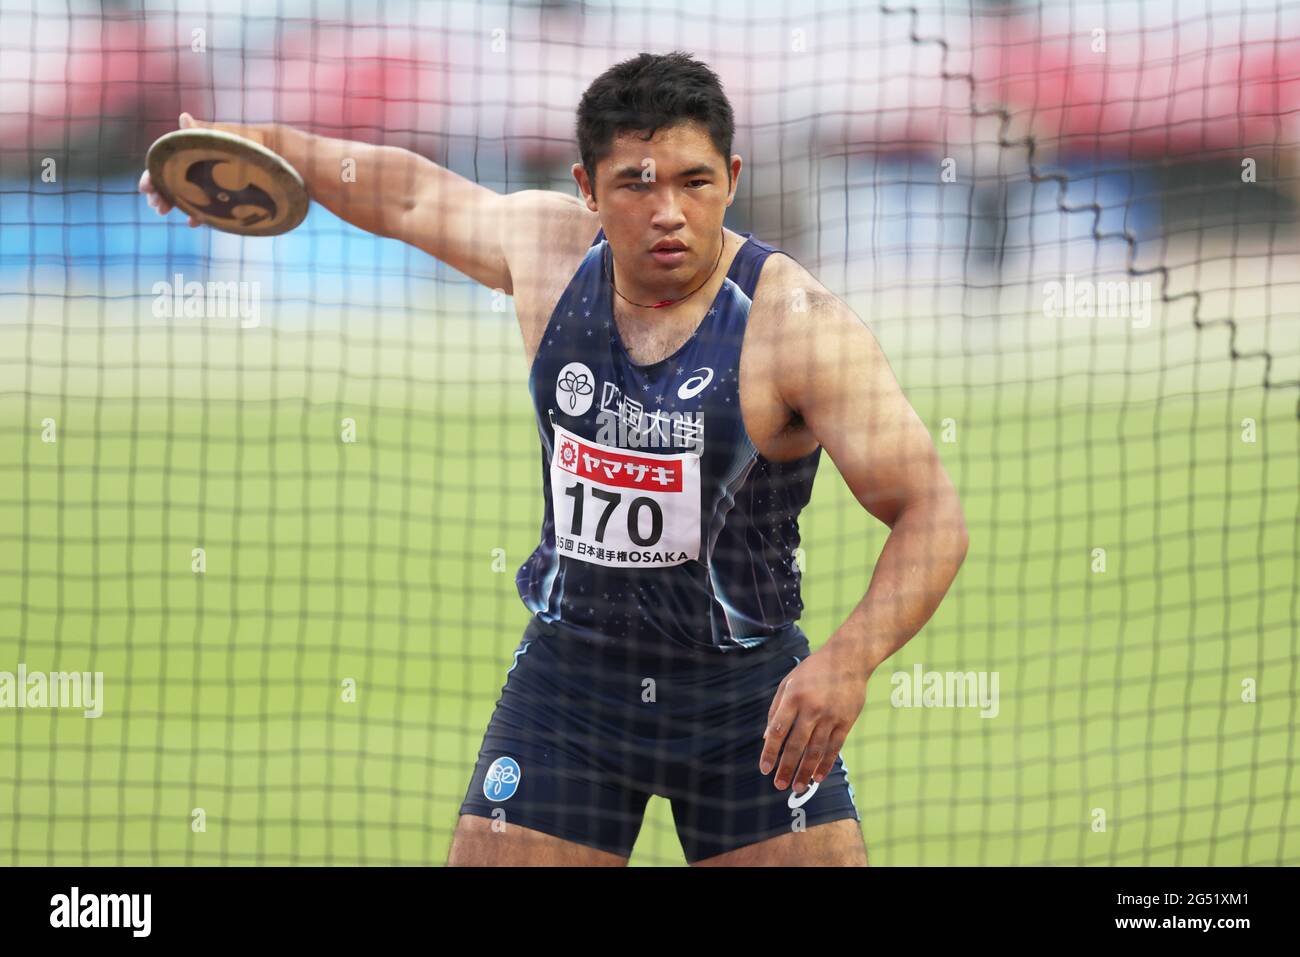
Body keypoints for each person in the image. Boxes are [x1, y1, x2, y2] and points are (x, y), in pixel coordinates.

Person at [140, 50, 969, 867]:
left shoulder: (797, 324)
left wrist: (848, 661)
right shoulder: (549, 254)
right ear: (587, 188)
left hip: (747, 697)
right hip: (572, 685)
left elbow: (932, 513)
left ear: (733, 176)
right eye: (636, 184)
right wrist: (242, 143)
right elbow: (408, 192)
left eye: (694, 181)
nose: (668, 210)